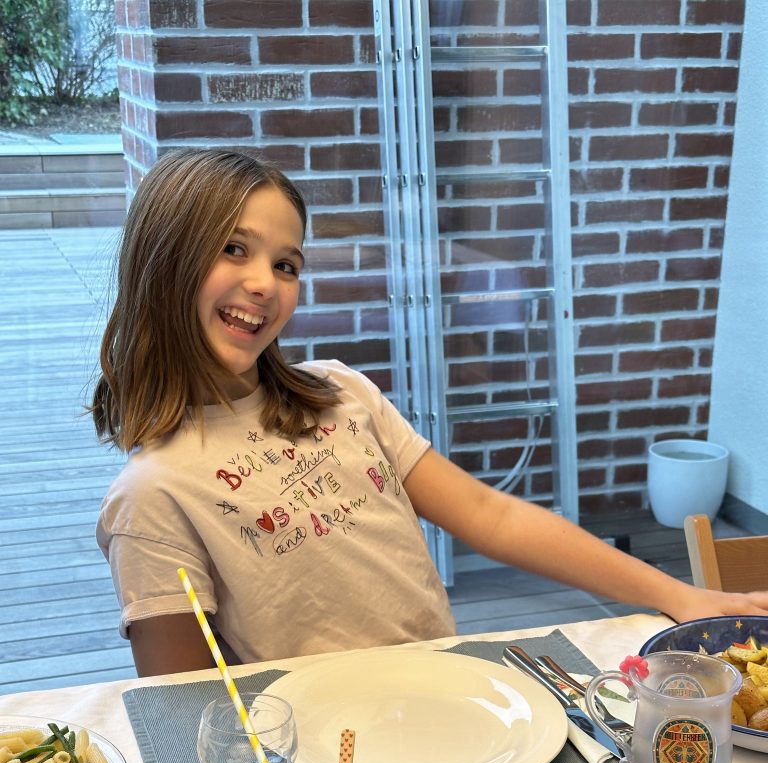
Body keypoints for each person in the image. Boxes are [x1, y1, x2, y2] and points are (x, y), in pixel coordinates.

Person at [91, 148, 768, 677]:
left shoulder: (341, 393)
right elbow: (183, 710)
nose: (265, 283)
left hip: (444, 700)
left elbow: (490, 515)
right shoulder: (151, 498)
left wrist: (676, 594)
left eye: (287, 264)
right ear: (164, 258)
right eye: (234, 248)